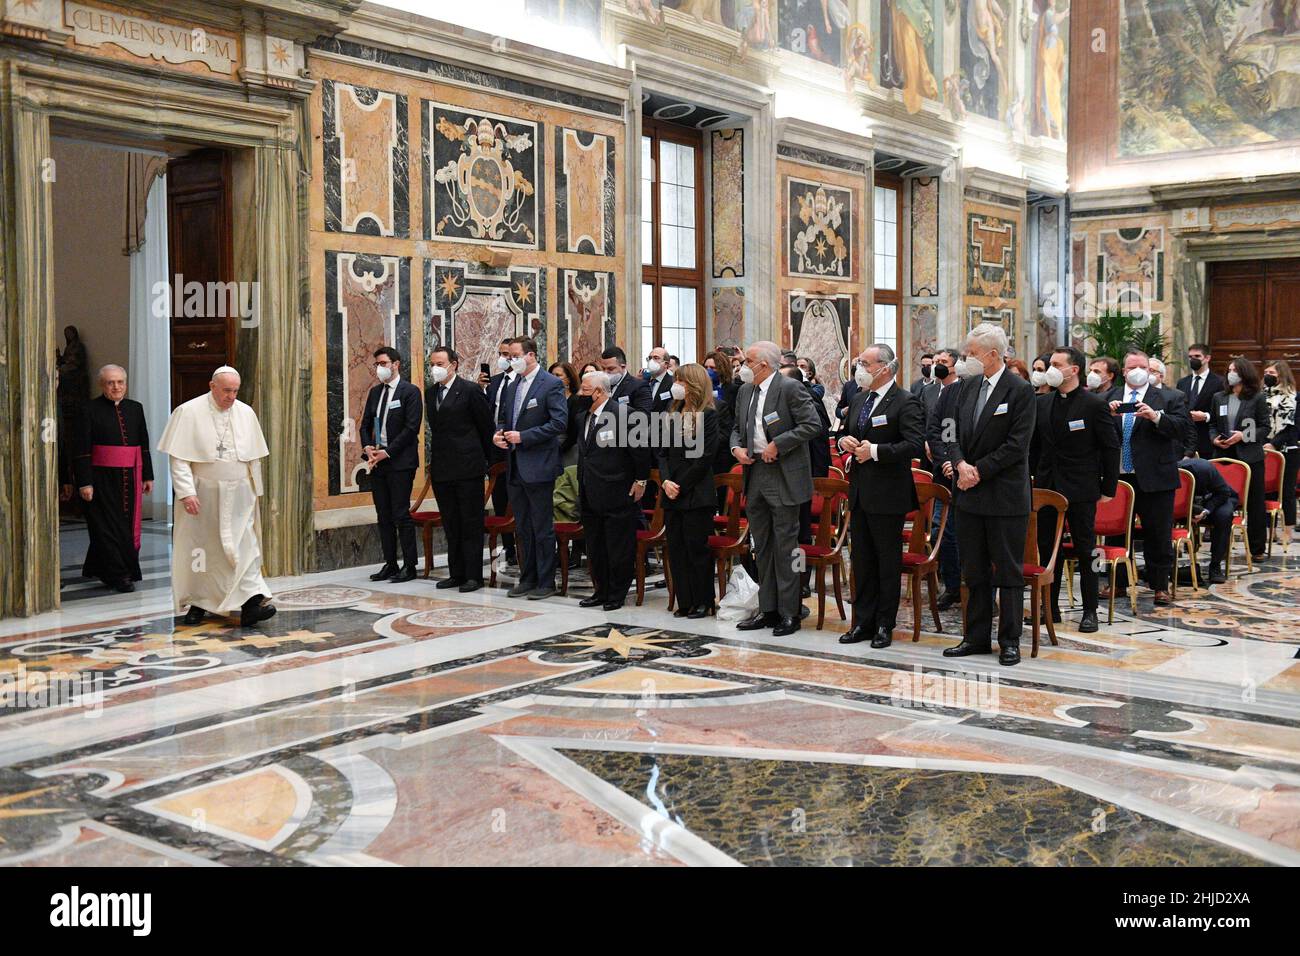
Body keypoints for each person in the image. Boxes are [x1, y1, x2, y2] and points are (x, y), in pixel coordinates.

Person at [943, 324, 1036, 666]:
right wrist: (958, 462)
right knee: (974, 570)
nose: (965, 361)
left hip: (1003, 495)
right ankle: (975, 636)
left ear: (993, 355)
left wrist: (977, 470)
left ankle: (1009, 639)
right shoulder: (966, 387)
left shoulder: (1019, 390)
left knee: (1008, 571)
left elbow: (1017, 444)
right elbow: (949, 430)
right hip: (968, 495)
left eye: (970, 355)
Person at [158, 366, 275, 627]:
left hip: (241, 495)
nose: (231, 397)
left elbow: (254, 458)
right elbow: (179, 460)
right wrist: (186, 492)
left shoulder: (245, 412)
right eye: (226, 391)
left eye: (235, 391)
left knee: (246, 548)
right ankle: (199, 604)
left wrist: (257, 491)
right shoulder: (188, 412)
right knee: (202, 551)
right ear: (212, 386)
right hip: (204, 495)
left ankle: (251, 604)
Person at [730, 340, 821, 636]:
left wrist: (778, 445)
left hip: (783, 476)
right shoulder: (745, 391)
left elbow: (812, 424)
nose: (744, 366)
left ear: (764, 365)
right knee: (762, 546)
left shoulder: (790, 388)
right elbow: (735, 428)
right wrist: (736, 449)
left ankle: (790, 611)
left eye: (749, 361)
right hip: (754, 474)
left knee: (787, 548)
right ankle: (767, 609)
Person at [836, 344, 924, 647]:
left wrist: (874, 451)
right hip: (860, 491)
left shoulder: (905, 401)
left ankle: (885, 624)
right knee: (862, 560)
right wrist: (844, 444)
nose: (859, 367)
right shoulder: (859, 398)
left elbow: (914, 444)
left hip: (889, 493)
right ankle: (862, 621)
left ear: (885, 368)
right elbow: (843, 434)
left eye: (865, 363)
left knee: (887, 562)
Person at [1032, 347, 1120, 633]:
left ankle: (1090, 609)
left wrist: (1108, 487)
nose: (1050, 369)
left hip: (1081, 488)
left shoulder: (1094, 405)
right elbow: (1035, 447)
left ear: (1074, 370)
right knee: (1047, 550)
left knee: (1086, 550)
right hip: (1048, 487)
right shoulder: (1042, 403)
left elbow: (1110, 447)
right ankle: (1050, 607)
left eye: (1057, 364)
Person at [1105, 349, 1191, 605]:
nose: (1138, 371)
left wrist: (1155, 417)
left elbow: (1182, 429)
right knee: (1116, 532)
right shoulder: (1108, 397)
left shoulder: (1169, 397)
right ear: (1124, 372)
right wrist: (1107, 416)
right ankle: (1118, 583)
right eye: (1132, 367)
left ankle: (1160, 585)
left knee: (1158, 532)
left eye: (1143, 366)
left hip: (1156, 476)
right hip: (1120, 476)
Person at [494, 337, 568, 599]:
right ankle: (528, 577)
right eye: (509, 356)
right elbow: (505, 417)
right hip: (515, 465)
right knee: (522, 527)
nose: (511, 360)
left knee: (541, 528)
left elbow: (559, 423)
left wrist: (524, 437)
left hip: (539, 465)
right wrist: (499, 433)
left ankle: (546, 582)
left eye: (515, 355)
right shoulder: (513, 385)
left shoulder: (551, 384)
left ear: (531, 356)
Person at [72, 365, 154, 593]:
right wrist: (84, 482)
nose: (116, 387)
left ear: (126, 384)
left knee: (124, 527)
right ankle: (119, 575)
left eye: (120, 382)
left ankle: (108, 569)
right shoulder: (88, 409)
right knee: (105, 528)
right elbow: (81, 449)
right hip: (100, 479)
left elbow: (143, 444)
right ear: (102, 385)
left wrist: (147, 475)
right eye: (110, 383)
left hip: (130, 476)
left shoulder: (135, 408)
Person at [572, 370, 650, 611]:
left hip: (617, 489)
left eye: (584, 390)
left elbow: (640, 452)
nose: (580, 394)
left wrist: (641, 481)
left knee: (618, 547)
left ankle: (617, 593)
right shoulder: (582, 416)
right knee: (596, 546)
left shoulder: (626, 414)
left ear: (598, 392)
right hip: (589, 489)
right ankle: (601, 590)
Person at [427, 346, 494, 592]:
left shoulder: (470, 390)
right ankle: (456, 573)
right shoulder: (430, 393)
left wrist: (487, 463)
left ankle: (473, 576)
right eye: (432, 363)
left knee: (470, 523)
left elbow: (486, 428)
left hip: (468, 468)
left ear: (453, 364)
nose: (435, 368)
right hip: (443, 469)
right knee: (451, 523)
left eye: (440, 363)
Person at [657, 363, 720, 618]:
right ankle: (685, 600)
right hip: (671, 492)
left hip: (695, 493)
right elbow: (661, 452)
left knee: (697, 550)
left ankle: (704, 601)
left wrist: (679, 485)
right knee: (677, 549)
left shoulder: (709, 414)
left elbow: (704, 458)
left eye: (681, 381)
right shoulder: (671, 412)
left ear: (693, 384)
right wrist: (665, 481)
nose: (676, 386)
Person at [360, 347, 424, 583]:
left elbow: (411, 428)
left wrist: (387, 452)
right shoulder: (376, 392)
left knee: (400, 513)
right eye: (377, 363)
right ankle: (390, 563)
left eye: (383, 363)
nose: (379, 367)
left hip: (400, 462)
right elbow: (365, 424)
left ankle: (409, 564)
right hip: (377, 462)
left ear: (396, 364)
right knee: (383, 514)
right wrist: (368, 447)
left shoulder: (410, 392)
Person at [1208, 356, 1269, 561]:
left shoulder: (1257, 398)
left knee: (1254, 502)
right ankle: (1221, 548)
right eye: (1229, 370)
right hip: (1224, 455)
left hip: (1249, 458)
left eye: (1235, 370)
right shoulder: (1219, 397)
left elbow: (1264, 427)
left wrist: (1243, 436)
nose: (1230, 373)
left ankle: (1257, 548)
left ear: (1244, 373)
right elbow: (1213, 425)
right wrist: (1215, 439)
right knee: (1223, 503)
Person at [923, 347, 964, 609]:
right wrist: (942, 459)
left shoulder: (964, 390)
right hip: (940, 470)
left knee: (965, 533)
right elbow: (931, 429)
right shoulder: (928, 391)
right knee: (941, 529)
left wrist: (955, 461)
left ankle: (972, 585)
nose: (937, 365)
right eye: (935, 361)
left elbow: (965, 431)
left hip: (965, 468)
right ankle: (951, 586)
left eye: (943, 362)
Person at [1178, 455, 1238, 584]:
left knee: (1224, 516)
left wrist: (1206, 511)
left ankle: (1215, 566)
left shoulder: (1205, 468)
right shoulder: (1173, 472)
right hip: (1192, 502)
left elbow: (1223, 493)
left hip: (1220, 497)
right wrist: (1187, 511)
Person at [483, 337, 517, 564]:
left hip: (516, 447)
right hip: (495, 449)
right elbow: (486, 413)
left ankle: (522, 544)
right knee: (500, 498)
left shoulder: (522, 382)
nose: (503, 359)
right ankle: (509, 549)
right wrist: (480, 391)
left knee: (517, 498)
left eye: (508, 355)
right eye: (501, 354)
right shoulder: (494, 382)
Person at [1264, 360, 1298, 547]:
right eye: (1266, 372)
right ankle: (1271, 531)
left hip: (1287, 450)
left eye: (1272, 372)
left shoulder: (1294, 397)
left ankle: (1288, 530)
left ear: (1281, 375)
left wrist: (1275, 444)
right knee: (1267, 491)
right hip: (1264, 449)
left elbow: (1294, 428)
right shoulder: (1261, 395)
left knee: (1287, 491)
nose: (1268, 375)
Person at [1177, 343, 1226, 460]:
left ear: (1207, 358)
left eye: (1197, 356)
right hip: (1185, 442)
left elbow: (1224, 410)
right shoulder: (1182, 382)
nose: (1193, 360)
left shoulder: (1220, 382)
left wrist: (1206, 416)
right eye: (1190, 357)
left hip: (1207, 440)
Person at [551, 361, 584, 468]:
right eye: (551, 375)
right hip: (549, 450)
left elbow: (575, 431)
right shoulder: (547, 399)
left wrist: (560, 449)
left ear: (569, 379)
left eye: (558, 375)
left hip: (568, 451)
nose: (553, 378)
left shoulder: (576, 401)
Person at [644, 345, 676, 412]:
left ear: (666, 364)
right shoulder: (642, 382)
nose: (651, 361)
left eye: (656, 358)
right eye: (650, 358)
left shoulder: (673, 383)